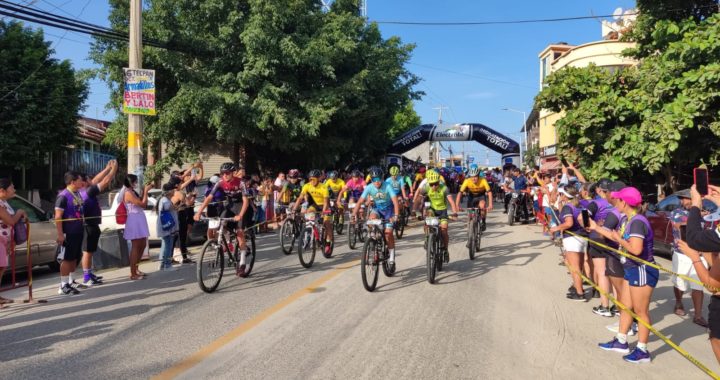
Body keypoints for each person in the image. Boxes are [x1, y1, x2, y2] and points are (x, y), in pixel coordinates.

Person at [591, 186, 657, 364]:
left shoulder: (637, 222)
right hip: (631, 268)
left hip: (641, 269)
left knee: (641, 312)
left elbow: (636, 249)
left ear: (624, 202)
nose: (614, 202)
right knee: (625, 305)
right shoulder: (628, 219)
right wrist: (595, 227)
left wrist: (620, 241)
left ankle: (642, 350)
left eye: (617, 199)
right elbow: (614, 237)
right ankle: (621, 341)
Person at [195, 162, 253, 277]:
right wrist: (199, 211)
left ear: (233, 173)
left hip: (241, 206)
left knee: (239, 233)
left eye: (227, 173)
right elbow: (209, 197)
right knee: (219, 223)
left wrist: (240, 215)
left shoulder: (241, 183)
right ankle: (223, 242)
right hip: (230, 205)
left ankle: (242, 263)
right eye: (223, 173)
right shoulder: (220, 182)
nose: (225, 175)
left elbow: (246, 201)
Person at [669, 188, 708, 327]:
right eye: (685, 198)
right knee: (679, 282)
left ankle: (698, 315)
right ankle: (678, 302)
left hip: (700, 254)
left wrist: (706, 216)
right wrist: (695, 216)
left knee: (698, 285)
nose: (687, 201)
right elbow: (678, 225)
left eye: (690, 198)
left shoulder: (703, 212)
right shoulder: (677, 213)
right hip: (682, 254)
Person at [79, 160, 118, 286]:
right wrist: (114, 170)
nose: (92, 180)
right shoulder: (88, 191)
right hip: (88, 225)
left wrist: (107, 169)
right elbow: (105, 182)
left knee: (90, 251)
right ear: (84, 182)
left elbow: (95, 180)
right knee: (87, 252)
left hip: (92, 224)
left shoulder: (86, 190)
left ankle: (89, 273)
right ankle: (86, 276)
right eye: (88, 179)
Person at [352, 167, 400, 267]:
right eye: (374, 180)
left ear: (382, 179)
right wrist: (353, 215)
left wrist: (395, 216)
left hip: (389, 211)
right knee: (371, 219)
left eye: (378, 179)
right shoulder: (369, 187)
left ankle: (391, 257)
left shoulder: (388, 186)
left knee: (388, 233)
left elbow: (395, 202)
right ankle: (373, 239)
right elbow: (360, 201)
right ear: (371, 180)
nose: (376, 182)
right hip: (377, 209)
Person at [549, 186, 589, 301]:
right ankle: (577, 287)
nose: (559, 196)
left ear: (565, 195)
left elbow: (569, 223)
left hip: (572, 238)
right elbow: (586, 222)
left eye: (560, 194)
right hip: (583, 237)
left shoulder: (568, 207)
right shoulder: (581, 205)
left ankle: (579, 292)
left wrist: (556, 228)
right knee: (579, 266)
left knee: (574, 267)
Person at [413, 169, 459, 262]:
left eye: (436, 184)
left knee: (444, 230)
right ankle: (428, 238)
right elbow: (418, 200)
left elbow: (451, 201)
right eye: (431, 184)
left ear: (439, 182)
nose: (433, 186)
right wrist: (415, 210)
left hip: (442, 211)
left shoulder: (444, 188)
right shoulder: (426, 187)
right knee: (427, 216)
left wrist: (454, 213)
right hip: (432, 209)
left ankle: (445, 250)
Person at [55, 171, 87, 294]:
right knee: (67, 258)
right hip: (69, 232)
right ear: (72, 182)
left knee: (75, 256)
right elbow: (58, 216)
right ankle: (63, 285)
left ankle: (72, 280)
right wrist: (60, 234)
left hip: (78, 230)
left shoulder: (77, 193)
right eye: (79, 180)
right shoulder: (63, 196)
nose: (82, 182)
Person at [292, 169, 333, 255]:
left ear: (318, 179)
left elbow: (326, 203)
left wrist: (322, 214)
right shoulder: (307, 186)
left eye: (313, 179)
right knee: (307, 213)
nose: (311, 181)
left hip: (324, 206)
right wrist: (294, 209)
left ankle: (328, 243)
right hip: (315, 205)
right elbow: (300, 198)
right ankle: (309, 232)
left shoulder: (323, 187)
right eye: (310, 179)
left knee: (327, 223)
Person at [0, 178, 27, 305]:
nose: (14, 190)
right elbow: (10, 221)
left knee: (2, 268)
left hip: (5, 240)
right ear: (2, 190)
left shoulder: (4, 202)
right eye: (11, 187)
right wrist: (19, 212)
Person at [121, 174, 153, 280]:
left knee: (143, 244)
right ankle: (133, 273)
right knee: (136, 246)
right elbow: (142, 204)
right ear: (130, 182)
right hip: (134, 220)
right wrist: (146, 191)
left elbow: (144, 203)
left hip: (139, 218)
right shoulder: (128, 193)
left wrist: (145, 192)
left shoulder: (132, 192)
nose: (136, 183)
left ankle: (136, 268)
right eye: (135, 181)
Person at [455, 164, 492, 232]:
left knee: (482, 206)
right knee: (470, 216)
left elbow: (489, 193)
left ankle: (483, 221)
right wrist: (457, 205)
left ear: (478, 176)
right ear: (470, 176)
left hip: (481, 195)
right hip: (472, 196)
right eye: (472, 177)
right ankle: (470, 236)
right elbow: (460, 193)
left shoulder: (483, 180)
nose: (473, 178)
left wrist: (490, 205)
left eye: (475, 177)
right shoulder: (467, 181)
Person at [156, 182, 179, 271]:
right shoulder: (165, 200)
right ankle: (167, 265)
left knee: (166, 244)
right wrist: (175, 206)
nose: (175, 191)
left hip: (167, 225)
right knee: (168, 245)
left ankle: (162, 264)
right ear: (169, 191)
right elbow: (168, 208)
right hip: (166, 226)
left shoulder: (165, 199)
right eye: (173, 189)